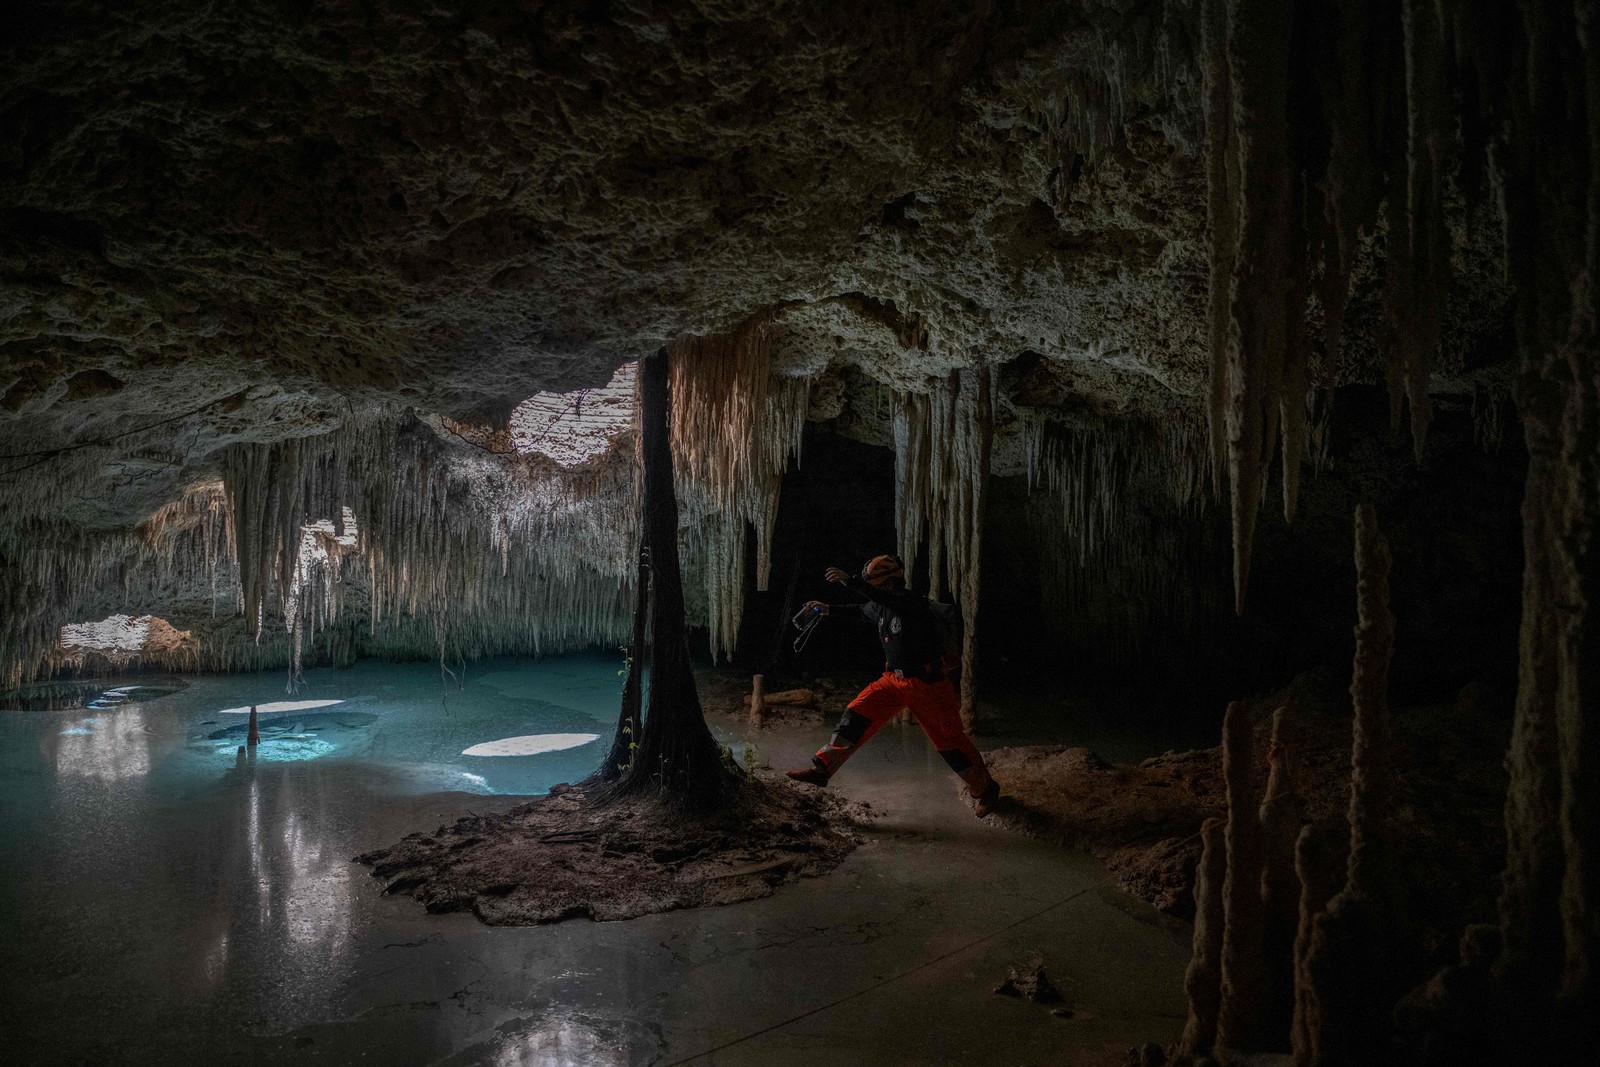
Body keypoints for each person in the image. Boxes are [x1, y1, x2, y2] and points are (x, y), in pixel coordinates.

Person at [785, 553, 1002, 817]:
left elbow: (885, 600)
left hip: (928, 685)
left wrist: (850, 581)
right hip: (893, 680)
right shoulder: (881, 606)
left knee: (950, 743)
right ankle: (822, 770)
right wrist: (827, 608)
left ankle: (985, 790)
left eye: (873, 585)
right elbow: (860, 610)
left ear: (888, 583)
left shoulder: (911, 604)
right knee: (857, 713)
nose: (871, 591)